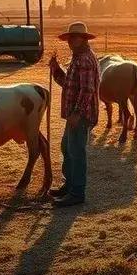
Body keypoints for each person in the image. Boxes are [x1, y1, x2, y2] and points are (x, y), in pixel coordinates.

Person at [48, 21, 100, 207]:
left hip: (80, 115)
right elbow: (68, 84)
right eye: (70, 38)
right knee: (67, 148)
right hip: (73, 114)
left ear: (83, 39)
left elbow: (87, 90)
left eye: (75, 38)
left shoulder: (84, 59)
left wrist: (77, 113)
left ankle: (77, 192)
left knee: (76, 152)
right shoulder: (77, 58)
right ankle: (69, 185)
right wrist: (56, 69)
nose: (71, 41)